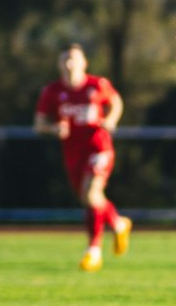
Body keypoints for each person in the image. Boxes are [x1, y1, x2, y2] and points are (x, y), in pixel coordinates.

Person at [34, 44, 132, 272]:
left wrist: (111, 120)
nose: (69, 64)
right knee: (90, 198)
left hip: (99, 148)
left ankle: (93, 251)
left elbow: (116, 102)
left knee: (90, 193)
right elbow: (39, 123)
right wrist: (53, 129)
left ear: (84, 63)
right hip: (72, 153)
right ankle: (118, 223)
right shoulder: (52, 92)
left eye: (74, 59)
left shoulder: (97, 85)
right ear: (59, 64)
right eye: (65, 60)